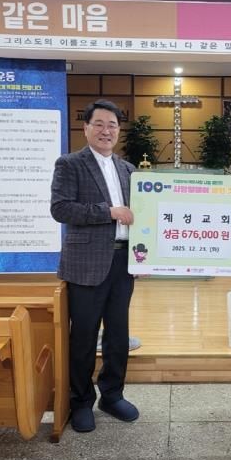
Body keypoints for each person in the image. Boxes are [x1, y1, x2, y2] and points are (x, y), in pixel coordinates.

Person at [50, 99, 138, 433]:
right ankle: (81, 400)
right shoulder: (70, 164)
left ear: (119, 130)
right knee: (84, 336)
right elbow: (61, 209)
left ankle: (112, 395)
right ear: (86, 128)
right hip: (85, 264)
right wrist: (109, 212)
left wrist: (146, 255)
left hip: (123, 262)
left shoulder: (128, 169)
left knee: (118, 334)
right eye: (98, 124)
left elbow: (141, 216)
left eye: (112, 125)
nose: (106, 131)